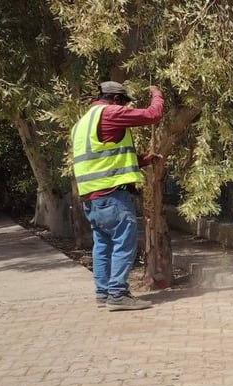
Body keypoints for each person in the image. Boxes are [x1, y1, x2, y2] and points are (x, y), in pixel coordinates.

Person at [71, 81, 164, 311]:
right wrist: (157, 94)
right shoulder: (110, 113)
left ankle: (103, 293)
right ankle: (118, 294)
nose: (124, 107)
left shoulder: (82, 123)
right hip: (112, 195)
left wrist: (143, 160)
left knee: (102, 245)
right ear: (116, 100)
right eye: (123, 103)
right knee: (124, 243)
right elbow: (153, 115)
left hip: (92, 198)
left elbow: (103, 157)